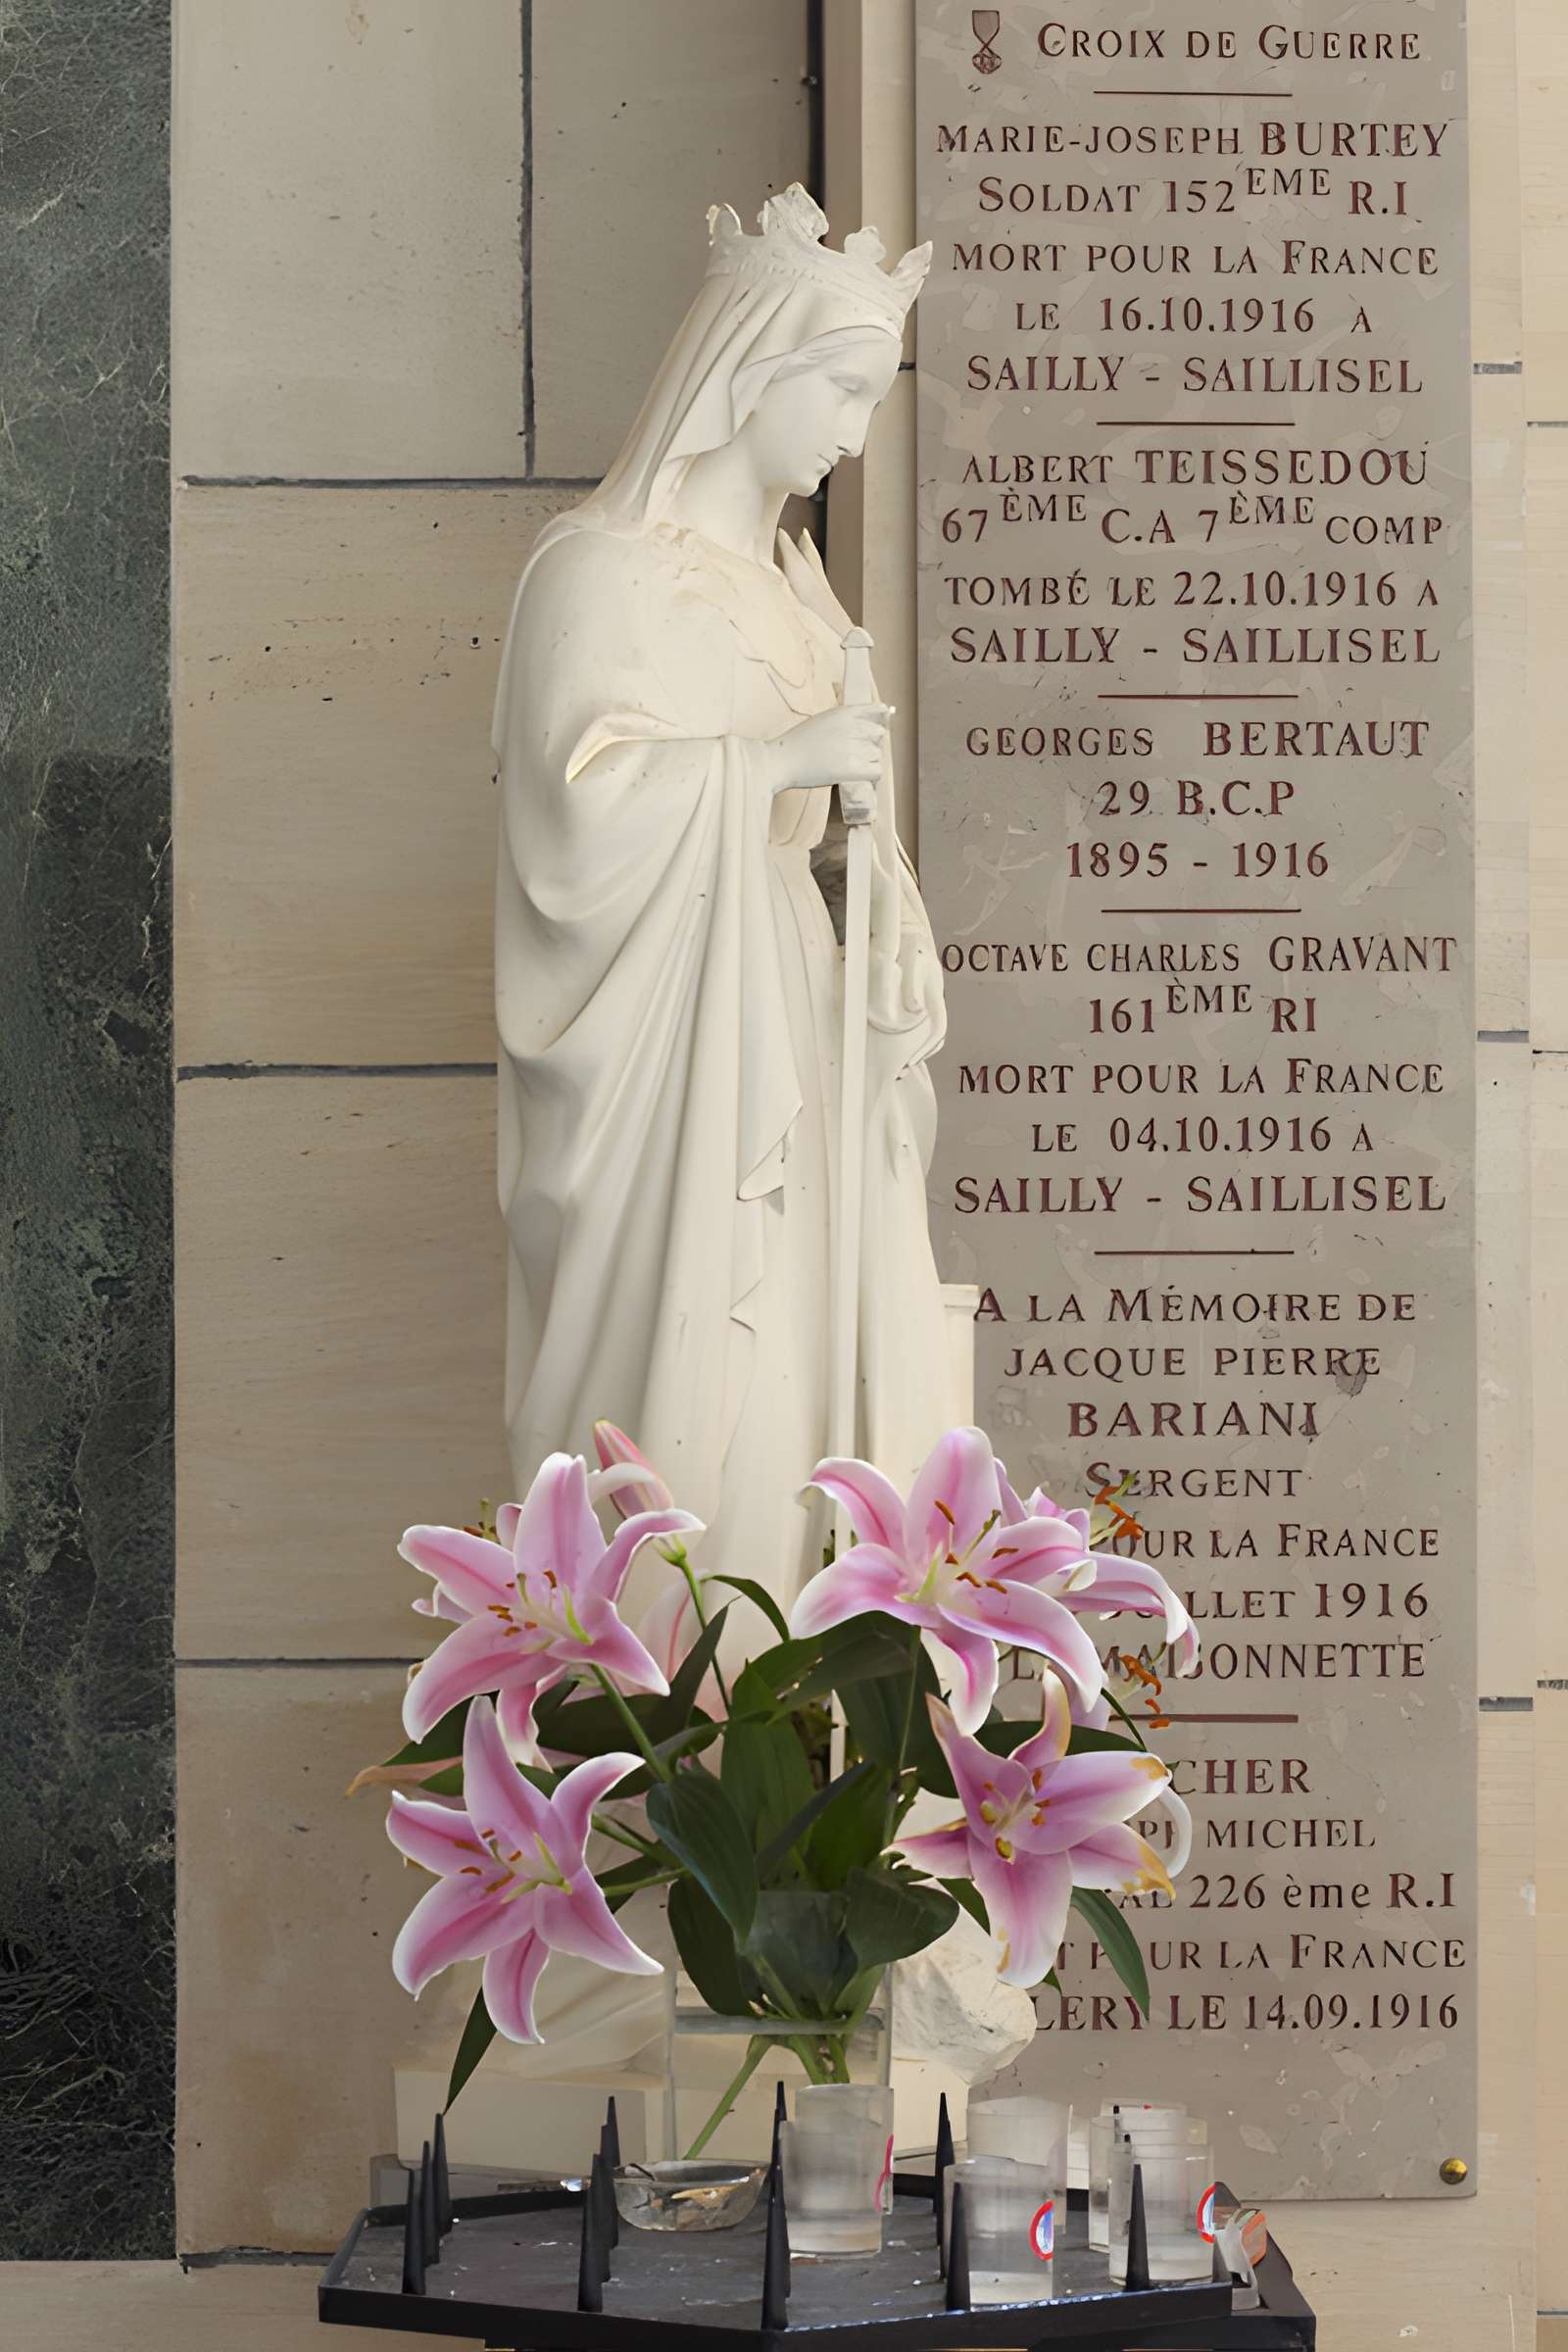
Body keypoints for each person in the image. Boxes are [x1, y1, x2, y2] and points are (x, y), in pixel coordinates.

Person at [492, 185, 955, 1653]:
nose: (853, 436)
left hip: (798, 1061)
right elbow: (573, 823)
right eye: (839, 393)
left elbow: (836, 851)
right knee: (703, 1431)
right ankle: (677, 1739)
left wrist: (868, 885)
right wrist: (771, 766)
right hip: (676, 1106)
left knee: (815, 1416)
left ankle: (817, 1746)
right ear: (745, 369)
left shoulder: (798, 595)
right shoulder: (598, 575)